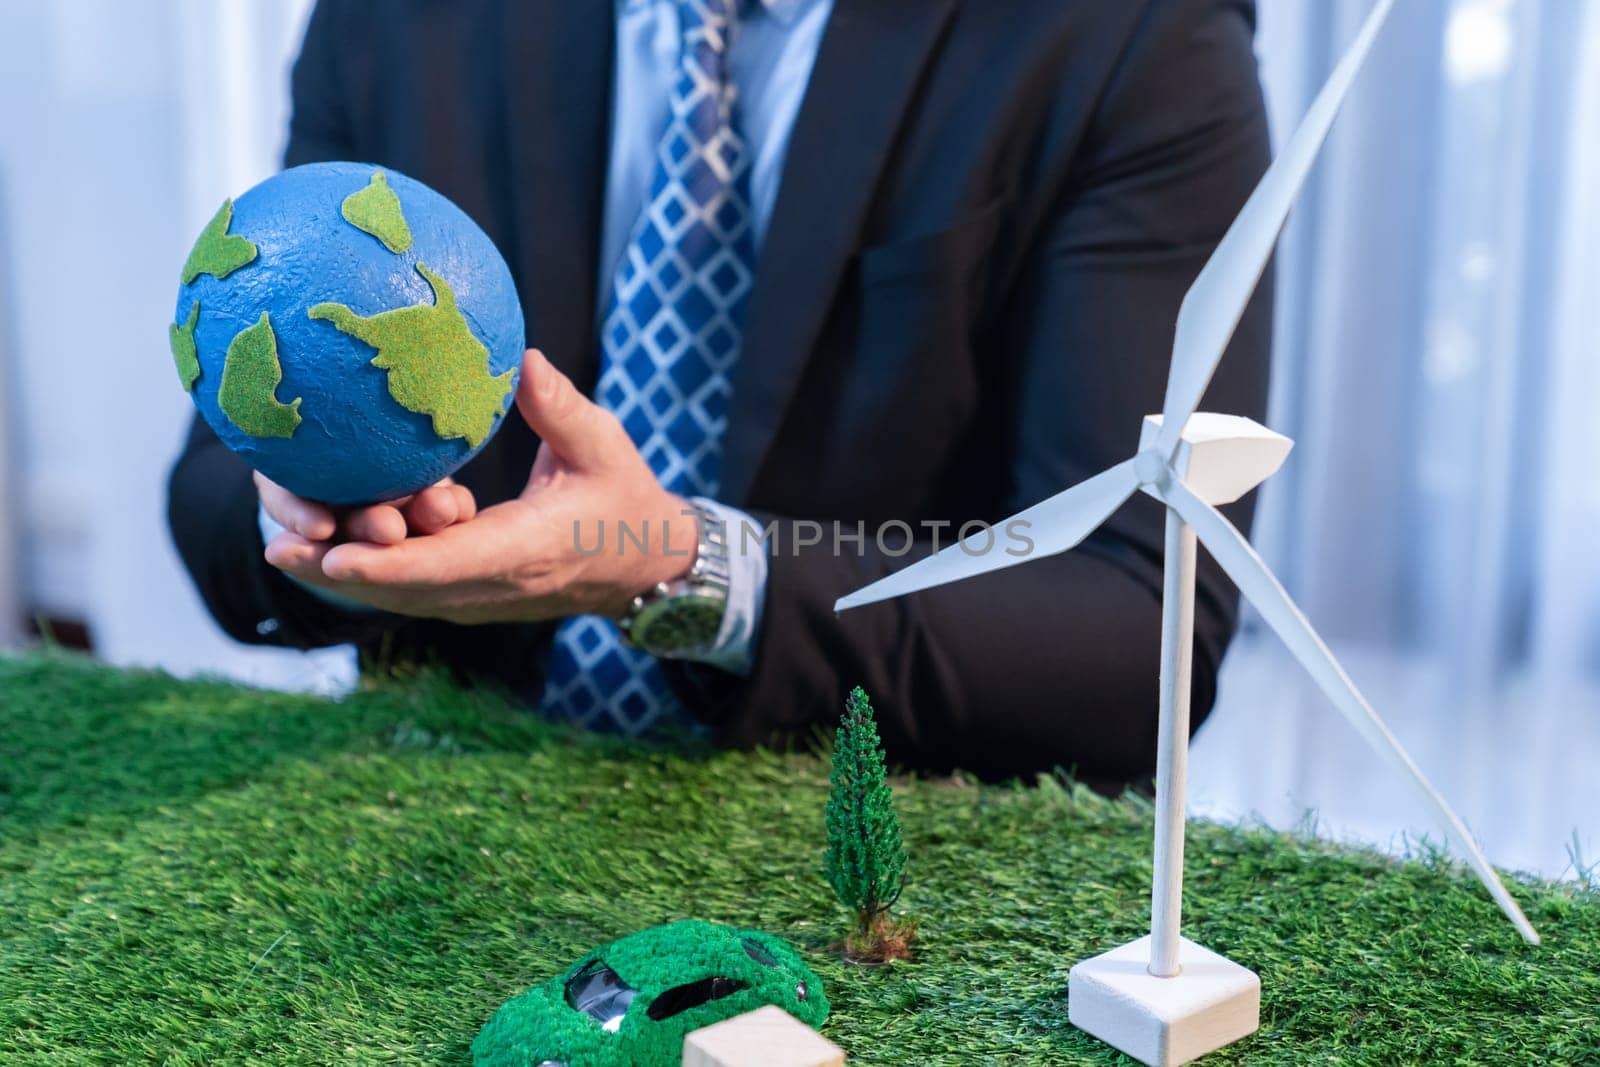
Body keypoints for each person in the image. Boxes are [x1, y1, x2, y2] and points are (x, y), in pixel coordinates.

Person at [168, 0, 1272, 786]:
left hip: (880, 848)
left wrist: (680, 568)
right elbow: (216, 489)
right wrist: (331, 529)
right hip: (431, 821)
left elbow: (1140, 633)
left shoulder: (1137, 37)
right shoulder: (395, 21)